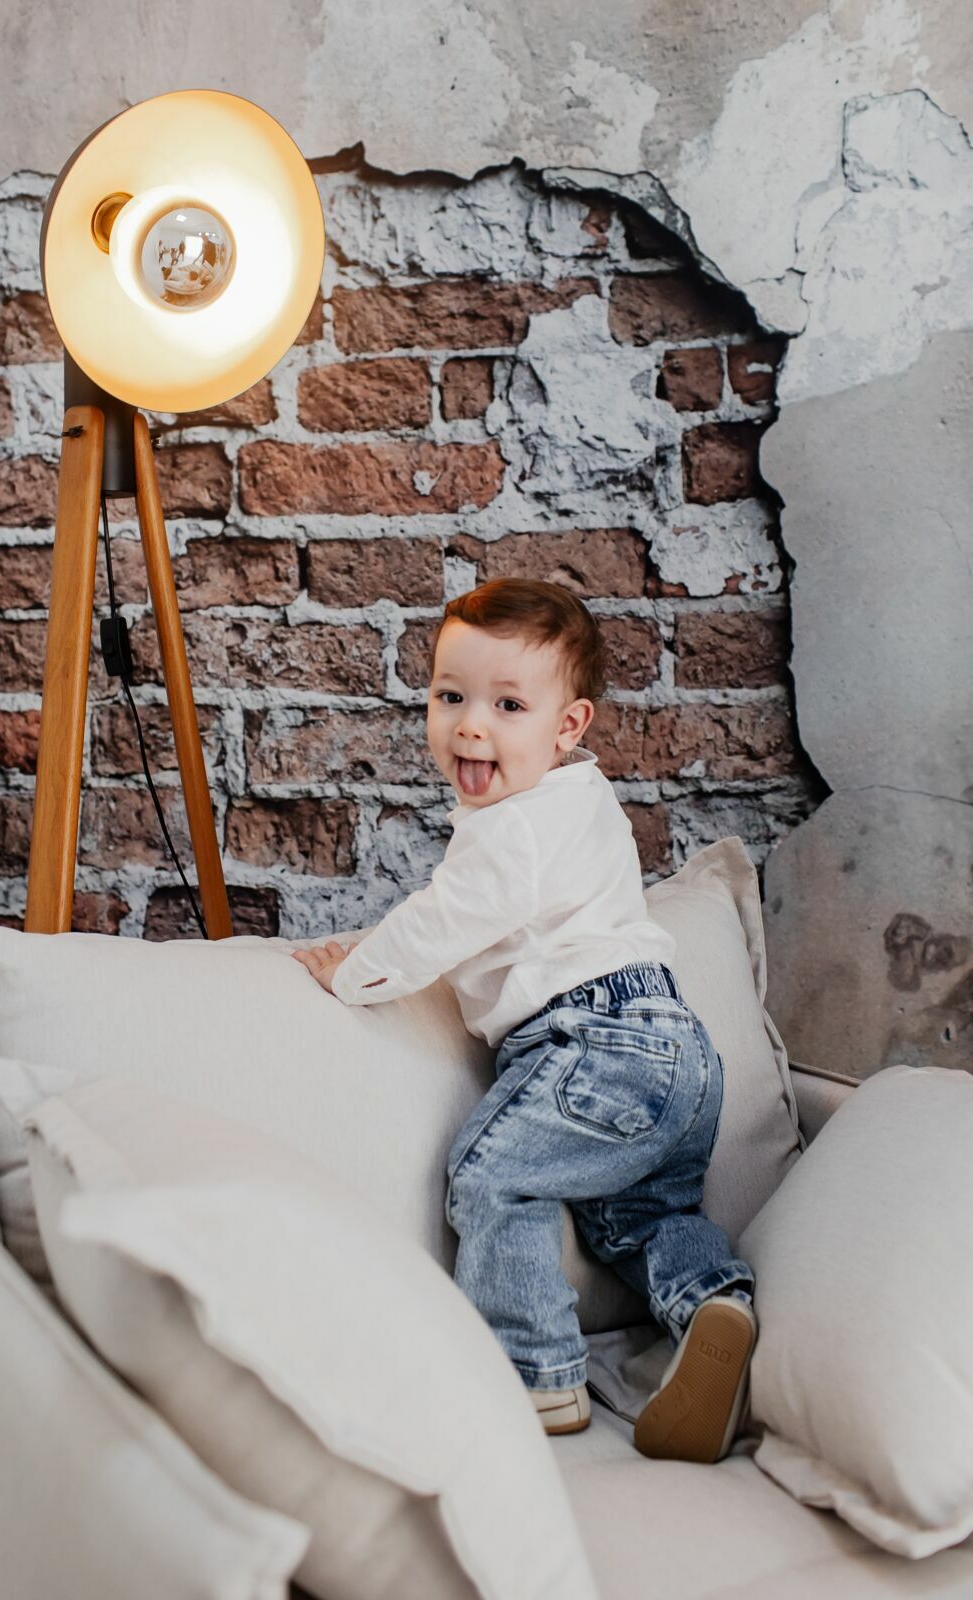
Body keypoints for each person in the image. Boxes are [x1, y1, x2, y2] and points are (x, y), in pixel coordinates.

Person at [291, 577, 757, 1463]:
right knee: (641, 1215)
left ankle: (535, 1374)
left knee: (490, 1176)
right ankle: (711, 1305)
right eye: (450, 697)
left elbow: (445, 918)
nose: (471, 725)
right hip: (678, 1052)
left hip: (593, 1043)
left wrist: (352, 971)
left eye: (508, 705)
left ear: (567, 725)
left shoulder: (510, 830)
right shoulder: (582, 800)